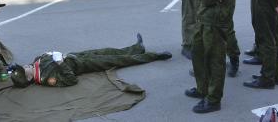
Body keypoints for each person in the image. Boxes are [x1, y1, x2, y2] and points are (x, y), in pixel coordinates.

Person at [186, 0, 239, 113]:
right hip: (205, 18)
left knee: (215, 60)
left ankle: (214, 99)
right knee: (198, 54)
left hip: (216, 21)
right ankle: (203, 89)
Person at [10, 34, 172, 88]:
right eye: (25, 70)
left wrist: (47, 54)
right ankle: (155, 56)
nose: (25, 66)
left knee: (108, 51)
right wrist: (60, 63)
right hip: (82, 64)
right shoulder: (46, 78)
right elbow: (71, 80)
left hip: (76, 55)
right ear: (29, 78)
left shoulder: (35, 65)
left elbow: (40, 58)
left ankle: (137, 48)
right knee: (119, 60)